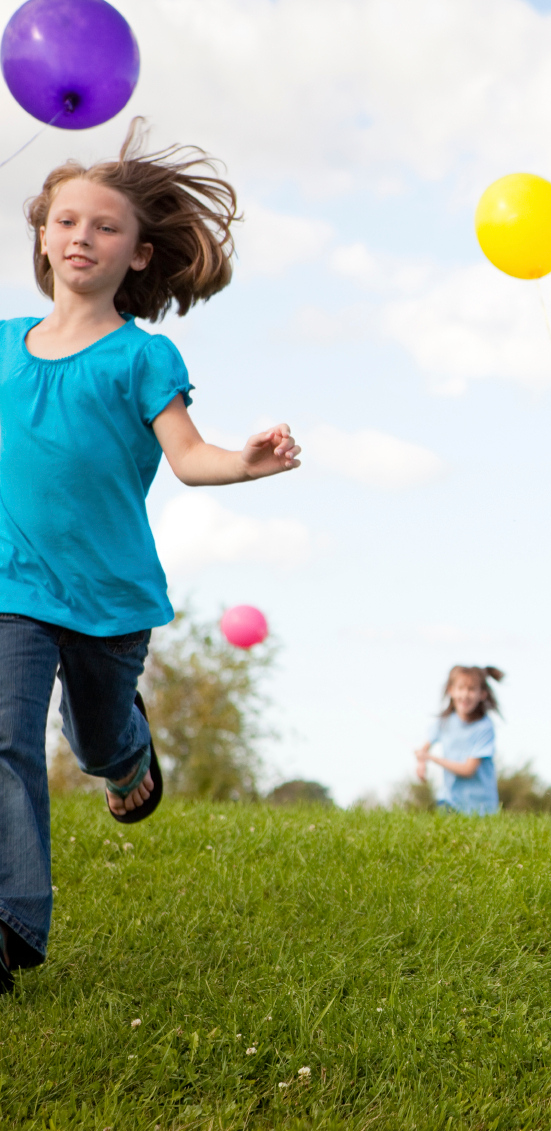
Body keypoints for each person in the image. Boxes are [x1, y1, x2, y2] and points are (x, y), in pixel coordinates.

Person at [0, 120, 301, 995]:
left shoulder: (141, 355)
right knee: (4, 738)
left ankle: (128, 748)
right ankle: (13, 919)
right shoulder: (3, 344)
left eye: (102, 226)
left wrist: (248, 461)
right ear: (42, 235)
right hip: (13, 584)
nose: (79, 237)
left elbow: (190, 456)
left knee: (93, 740)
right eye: (64, 222)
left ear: (138, 253)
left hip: (109, 594)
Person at [414, 665, 504, 817]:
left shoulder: (484, 727)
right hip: (449, 800)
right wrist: (422, 763)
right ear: (451, 690)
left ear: (482, 694)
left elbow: (468, 770)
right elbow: (425, 748)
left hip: (480, 807)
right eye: (461, 688)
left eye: (471, 689)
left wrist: (431, 759)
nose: (465, 694)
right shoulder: (444, 722)